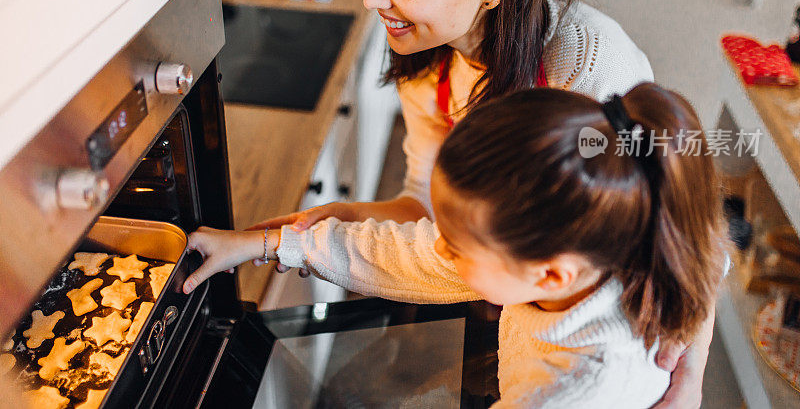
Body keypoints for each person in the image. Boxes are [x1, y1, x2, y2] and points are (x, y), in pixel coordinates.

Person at [248, 0, 711, 405]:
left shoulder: (585, 65)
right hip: (508, 302)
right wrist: (349, 215)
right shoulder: (428, 60)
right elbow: (430, 207)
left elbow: (682, 207)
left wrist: (691, 371)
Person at [183, 84, 729, 408]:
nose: (440, 251)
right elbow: (404, 253)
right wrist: (268, 244)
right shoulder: (600, 245)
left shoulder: (581, 384)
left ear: (551, 276)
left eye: (460, 248)